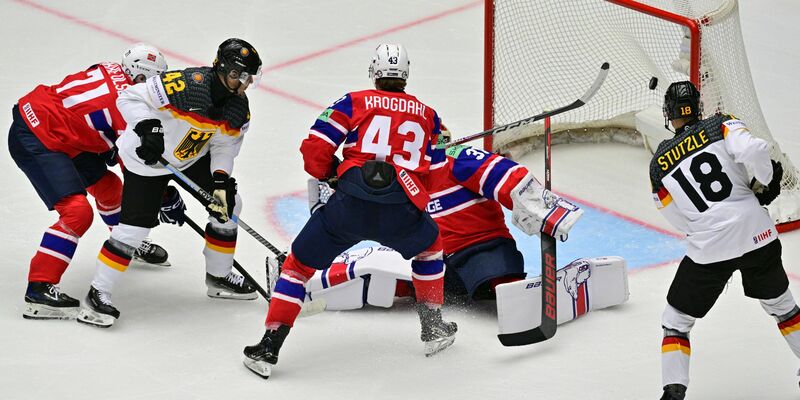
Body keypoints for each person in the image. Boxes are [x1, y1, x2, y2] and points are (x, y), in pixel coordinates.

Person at [243, 43, 455, 378]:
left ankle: (269, 346)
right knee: (430, 249)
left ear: (374, 71)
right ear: (406, 74)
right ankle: (433, 327)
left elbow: (315, 149)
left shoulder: (353, 101)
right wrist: (432, 154)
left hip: (348, 207)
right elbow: (439, 176)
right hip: (400, 211)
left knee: (297, 267)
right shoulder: (429, 116)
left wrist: (331, 173)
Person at [76, 38, 263, 328]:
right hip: (148, 160)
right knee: (134, 230)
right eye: (241, 76)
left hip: (190, 157)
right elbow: (129, 97)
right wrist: (147, 127)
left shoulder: (238, 109)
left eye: (250, 77)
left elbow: (224, 145)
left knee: (229, 206)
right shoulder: (187, 84)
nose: (246, 83)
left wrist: (220, 179)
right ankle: (97, 292)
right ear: (226, 70)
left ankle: (219, 276)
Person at [300, 127, 586, 308]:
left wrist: (544, 209)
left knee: (499, 280)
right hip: (438, 260)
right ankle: (307, 282)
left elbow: (506, 175)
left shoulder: (458, 159)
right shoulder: (402, 176)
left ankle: (520, 293)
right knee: (382, 271)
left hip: (481, 249)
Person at [650, 81, 800, 400]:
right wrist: (766, 181)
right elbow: (756, 150)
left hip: (709, 248)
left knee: (676, 322)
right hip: (757, 234)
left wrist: (704, 227)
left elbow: (675, 216)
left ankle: (673, 393)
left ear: (669, 114)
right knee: (784, 309)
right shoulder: (721, 124)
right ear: (698, 106)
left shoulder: (658, 164)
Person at [8, 43, 172, 321]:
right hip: (38, 138)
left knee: (110, 188)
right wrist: (161, 195)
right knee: (77, 212)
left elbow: (89, 111)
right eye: (154, 81)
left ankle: (124, 241)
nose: (156, 89)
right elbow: (134, 168)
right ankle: (39, 289)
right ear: (139, 77)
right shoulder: (125, 107)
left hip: (57, 127)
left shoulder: (110, 67)